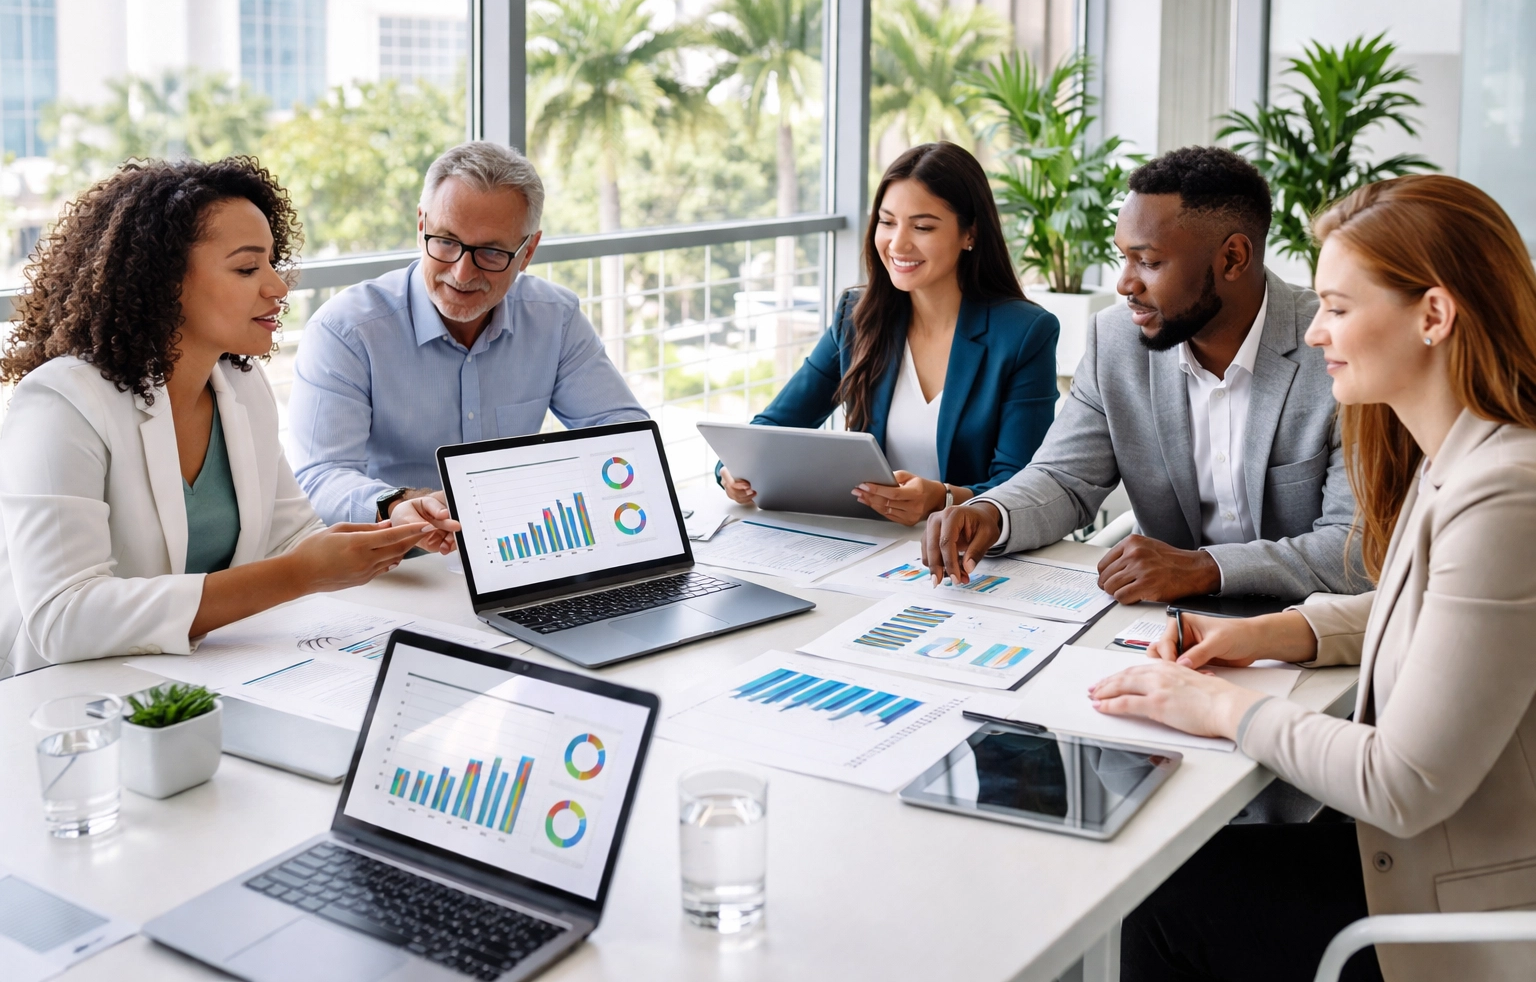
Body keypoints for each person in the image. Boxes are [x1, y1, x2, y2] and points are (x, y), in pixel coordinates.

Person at [1091, 175, 1536, 982]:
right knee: (1183, 868)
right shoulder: (1464, 456)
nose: (1316, 331)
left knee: (1159, 896)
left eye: (1337, 307)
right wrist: (1273, 631)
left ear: (1433, 316)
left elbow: (1401, 783)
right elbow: (1434, 612)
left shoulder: (1505, 493)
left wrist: (1220, 707)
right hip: (1418, 854)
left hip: (1456, 913)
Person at [0, 158, 437, 679]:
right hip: (65, 693)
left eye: (272, 263)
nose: (277, 287)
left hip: (205, 675)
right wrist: (297, 575)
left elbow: (289, 541)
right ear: (163, 281)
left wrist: (388, 528)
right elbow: (63, 618)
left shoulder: (241, 386)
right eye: (248, 269)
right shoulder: (61, 403)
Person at [922, 145, 1363, 602]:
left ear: (1232, 258)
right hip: (1158, 621)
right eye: (1124, 258)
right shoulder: (1116, 341)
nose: (1125, 284)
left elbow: (1355, 547)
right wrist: (992, 514)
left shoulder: (1336, 353)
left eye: (1149, 262)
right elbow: (1063, 478)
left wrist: (1204, 569)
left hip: (1304, 624)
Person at [287, 140, 648, 535]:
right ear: (421, 226)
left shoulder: (555, 318)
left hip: (518, 545)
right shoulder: (345, 331)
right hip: (399, 558)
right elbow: (320, 476)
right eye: (446, 241)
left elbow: (625, 434)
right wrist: (397, 504)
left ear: (528, 252)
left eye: (491, 252)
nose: (461, 274)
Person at [717, 142, 1059, 526]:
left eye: (922, 226)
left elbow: (1022, 485)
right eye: (887, 222)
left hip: (968, 546)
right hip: (870, 539)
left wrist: (943, 498)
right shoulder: (857, 317)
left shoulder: (1024, 334)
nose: (898, 244)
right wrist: (731, 470)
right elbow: (772, 428)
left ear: (970, 233)